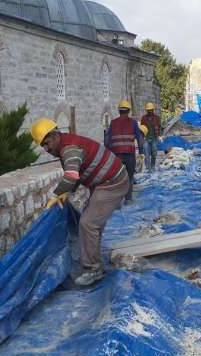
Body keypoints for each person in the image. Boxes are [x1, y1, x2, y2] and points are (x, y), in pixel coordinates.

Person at [30, 118, 129, 287]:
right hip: (104, 183)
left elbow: (71, 176)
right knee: (92, 222)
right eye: (43, 146)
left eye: (47, 143)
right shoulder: (66, 146)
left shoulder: (69, 149)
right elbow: (77, 172)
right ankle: (93, 259)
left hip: (112, 183)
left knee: (88, 223)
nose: (47, 149)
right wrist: (67, 192)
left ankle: (93, 269)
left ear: (55, 135)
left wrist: (56, 195)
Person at [105, 100, 144, 203]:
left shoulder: (113, 123)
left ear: (119, 111)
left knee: (117, 178)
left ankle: (117, 202)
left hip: (116, 155)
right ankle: (128, 199)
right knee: (129, 177)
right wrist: (141, 152)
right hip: (130, 155)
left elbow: (107, 140)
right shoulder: (133, 123)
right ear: (128, 111)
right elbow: (139, 138)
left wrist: (109, 152)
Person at [140, 102, 162, 172]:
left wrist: (159, 136)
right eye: (148, 110)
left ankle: (153, 166)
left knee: (154, 152)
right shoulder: (143, 118)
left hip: (154, 138)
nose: (149, 111)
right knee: (146, 153)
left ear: (153, 110)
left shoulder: (157, 118)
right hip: (146, 138)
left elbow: (159, 127)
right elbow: (142, 128)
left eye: (151, 110)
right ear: (147, 110)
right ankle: (148, 167)